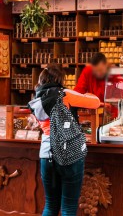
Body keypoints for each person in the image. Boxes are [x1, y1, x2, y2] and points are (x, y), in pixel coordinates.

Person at [29, 64, 100, 216]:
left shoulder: (37, 99)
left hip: (46, 154)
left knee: (50, 205)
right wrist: (86, 93)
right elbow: (96, 102)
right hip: (69, 153)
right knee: (68, 207)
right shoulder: (65, 94)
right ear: (60, 79)